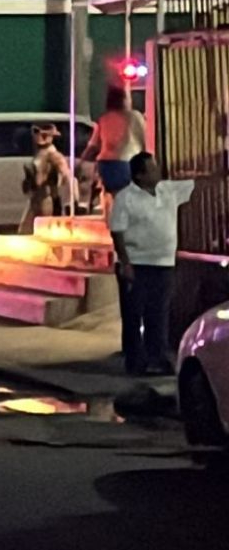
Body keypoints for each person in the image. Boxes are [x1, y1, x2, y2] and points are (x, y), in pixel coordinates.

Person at [109, 152, 195, 376]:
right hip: (137, 263)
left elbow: (198, 183)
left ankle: (158, 358)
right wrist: (125, 263)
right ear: (139, 175)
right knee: (134, 313)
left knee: (159, 313)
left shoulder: (167, 190)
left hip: (163, 263)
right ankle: (136, 361)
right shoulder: (125, 198)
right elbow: (117, 231)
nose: (158, 171)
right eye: (152, 168)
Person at [84, 85, 146, 218]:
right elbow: (144, 140)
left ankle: (111, 221)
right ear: (125, 100)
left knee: (111, 194)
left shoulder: (104, 119)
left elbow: (93, 146)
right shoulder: (135, 117)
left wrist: (81, 162)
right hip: (127, 163)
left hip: (105, 163)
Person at [18, 124, 74, 235]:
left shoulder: (53, 154)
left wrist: (70, 199)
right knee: (25, 230)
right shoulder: (40, 153)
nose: (40, 138)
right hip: (35, 196)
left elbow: (66, 174)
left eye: (45, 135)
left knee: (46, 229)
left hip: (47, 197)